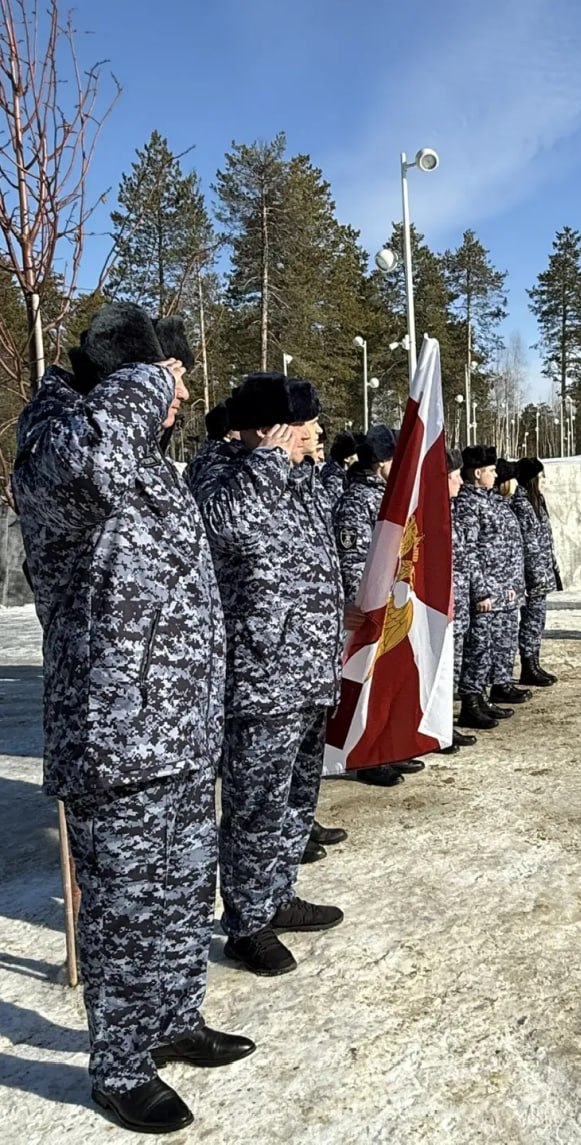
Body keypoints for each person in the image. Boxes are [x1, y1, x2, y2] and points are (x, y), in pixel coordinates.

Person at [11, 302, 253, 1135]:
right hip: (114, 732)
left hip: (179, 725)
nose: (180, 395)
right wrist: (143, 380)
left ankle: (175, 1015)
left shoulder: (140, 454)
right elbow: (83, 469)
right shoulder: (55, 447)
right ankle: (119, 1066)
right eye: (171, 377)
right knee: (121, 911)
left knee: (183, 890)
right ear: (128, 378)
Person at [187, 372, 344, 977]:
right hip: (262, 678)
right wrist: (267, 461)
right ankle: (247, 924)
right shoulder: (222, 471)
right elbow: (225, 527)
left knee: (294, 798)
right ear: (267, 429)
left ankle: (276, 894)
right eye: (301, 426)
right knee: (254, 807)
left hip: (307, 670)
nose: (312, 435)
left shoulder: (299, 479)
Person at [334, 424, 431, 776]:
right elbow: (354, 559)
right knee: (367, 681)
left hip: (393, 601)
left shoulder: (387, 496)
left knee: (389, 678)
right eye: (393, 458)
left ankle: (386, 745)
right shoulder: (358, 500)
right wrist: (366, 604)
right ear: (379, 462)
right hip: (371, 606)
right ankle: (367, 754)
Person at [453, 445, 517, 728]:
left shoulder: (489, 500)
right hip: (482, 592)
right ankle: (470, 702)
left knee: (487, 648)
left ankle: (479, 698)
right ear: (477, 473)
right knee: (476, 648)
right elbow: (469, 552)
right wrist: (480, 590)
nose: (495, 475)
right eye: (491, 471)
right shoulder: (467, 504)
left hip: (497, 589)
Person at [511, 457, 560, 686]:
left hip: (541, 572)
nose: (544, 481)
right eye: (540, 477)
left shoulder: (536, 501)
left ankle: (534, 662)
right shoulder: (522, 504)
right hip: (533, 576)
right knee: (531, 621)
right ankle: (528, 666)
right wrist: (536, 575)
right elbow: (529, 544)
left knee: (537, 620)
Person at [488, 458, 532, 704]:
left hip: (510, 587)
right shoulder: (492, 507)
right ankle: (490, 687)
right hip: (496, 589)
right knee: (491, 641)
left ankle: (502, 682)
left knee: (507, 637)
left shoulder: (505, 507)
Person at [446, 447, 481, 742]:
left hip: (457, 604)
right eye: (455, 476)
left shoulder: (451, 510)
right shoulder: (433, 514)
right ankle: (438, 727)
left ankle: (444, 724)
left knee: (452, 669)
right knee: (443, 671)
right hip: (440, 608)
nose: (460, 482)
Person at [318, 427, 361, 511]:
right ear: (347, 458)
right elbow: (333, 509)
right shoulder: (333, 480)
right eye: (358, 454)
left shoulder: (342, 475)